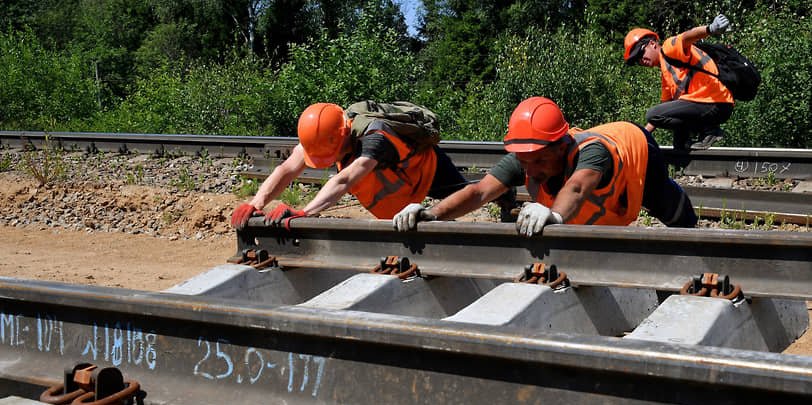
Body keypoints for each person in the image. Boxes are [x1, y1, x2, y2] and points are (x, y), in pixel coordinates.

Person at [392, 96, 697, 236]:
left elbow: (577, 187)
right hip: (605, 176)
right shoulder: (526, 156)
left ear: (562, 145)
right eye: (525, 160)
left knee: (668, 209)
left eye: (538, 159)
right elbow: (478, 193)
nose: (530, 168)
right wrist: (431, 213)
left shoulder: (593, 154)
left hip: (638, 147)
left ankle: (690, 227)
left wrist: (553, 214)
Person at [230, 102, 470, 229]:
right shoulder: (325, 135)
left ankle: (505, 200)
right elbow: (287, 169)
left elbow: (344, 180)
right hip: (398, 194)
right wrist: (255, 204)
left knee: (467, 196)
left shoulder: (375, 137)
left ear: (344, 135)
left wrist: (304, 212)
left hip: (424, 171)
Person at [624, 15, 734, 151]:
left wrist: (710, 29)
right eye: (637, 60)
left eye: (640, 53)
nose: (641, 60)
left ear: (652, 44)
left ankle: (709, 130)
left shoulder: (668, 47)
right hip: (709, 105)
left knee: (652, 114)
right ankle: (693, 152)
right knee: (680, 144)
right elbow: (664, 107)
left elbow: (686, 37)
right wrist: (644, 134)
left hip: (714, 102)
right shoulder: (666, 72)